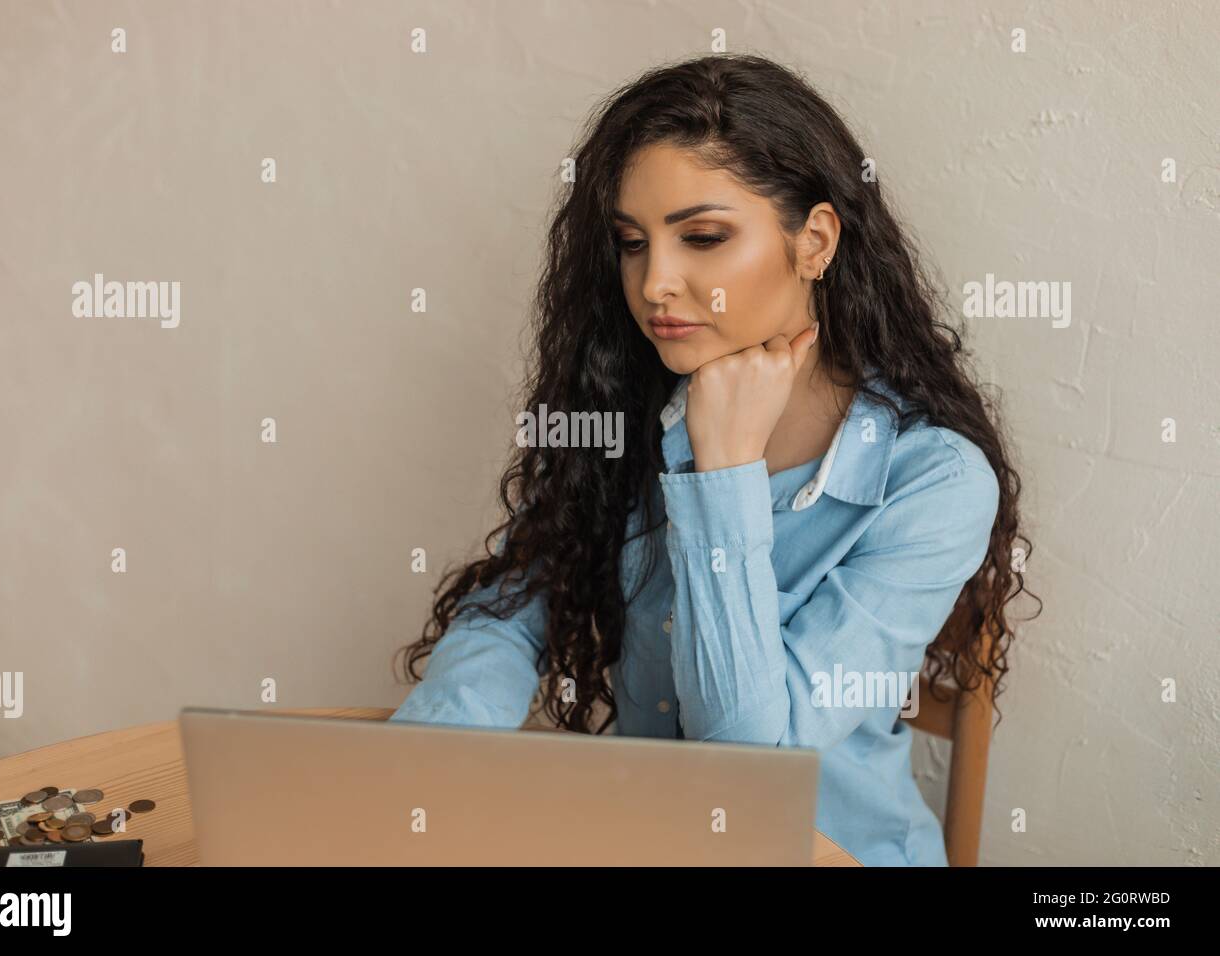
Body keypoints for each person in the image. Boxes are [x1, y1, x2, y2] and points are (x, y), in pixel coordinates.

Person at [391, 53, 1039, 866]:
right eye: (632, 244)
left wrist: (722, 470)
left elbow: (745, 766)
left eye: (703, 238)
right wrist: (420, 773)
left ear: (815, 243)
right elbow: (511, 609)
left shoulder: (933, 481)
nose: (656, 283)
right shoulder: (628, 406)